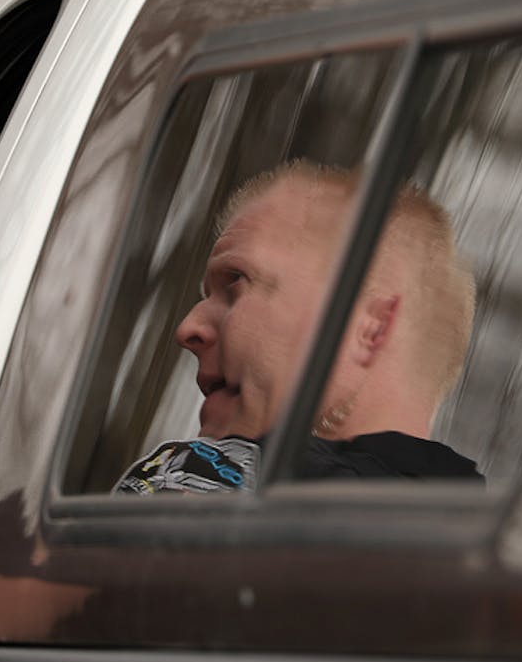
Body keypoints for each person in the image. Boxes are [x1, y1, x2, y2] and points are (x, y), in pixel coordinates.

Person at [116, 160, 481, 494]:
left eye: (236, 284)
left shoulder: (196, 484)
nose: (188, 328)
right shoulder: (486, 548)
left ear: (369, 327)